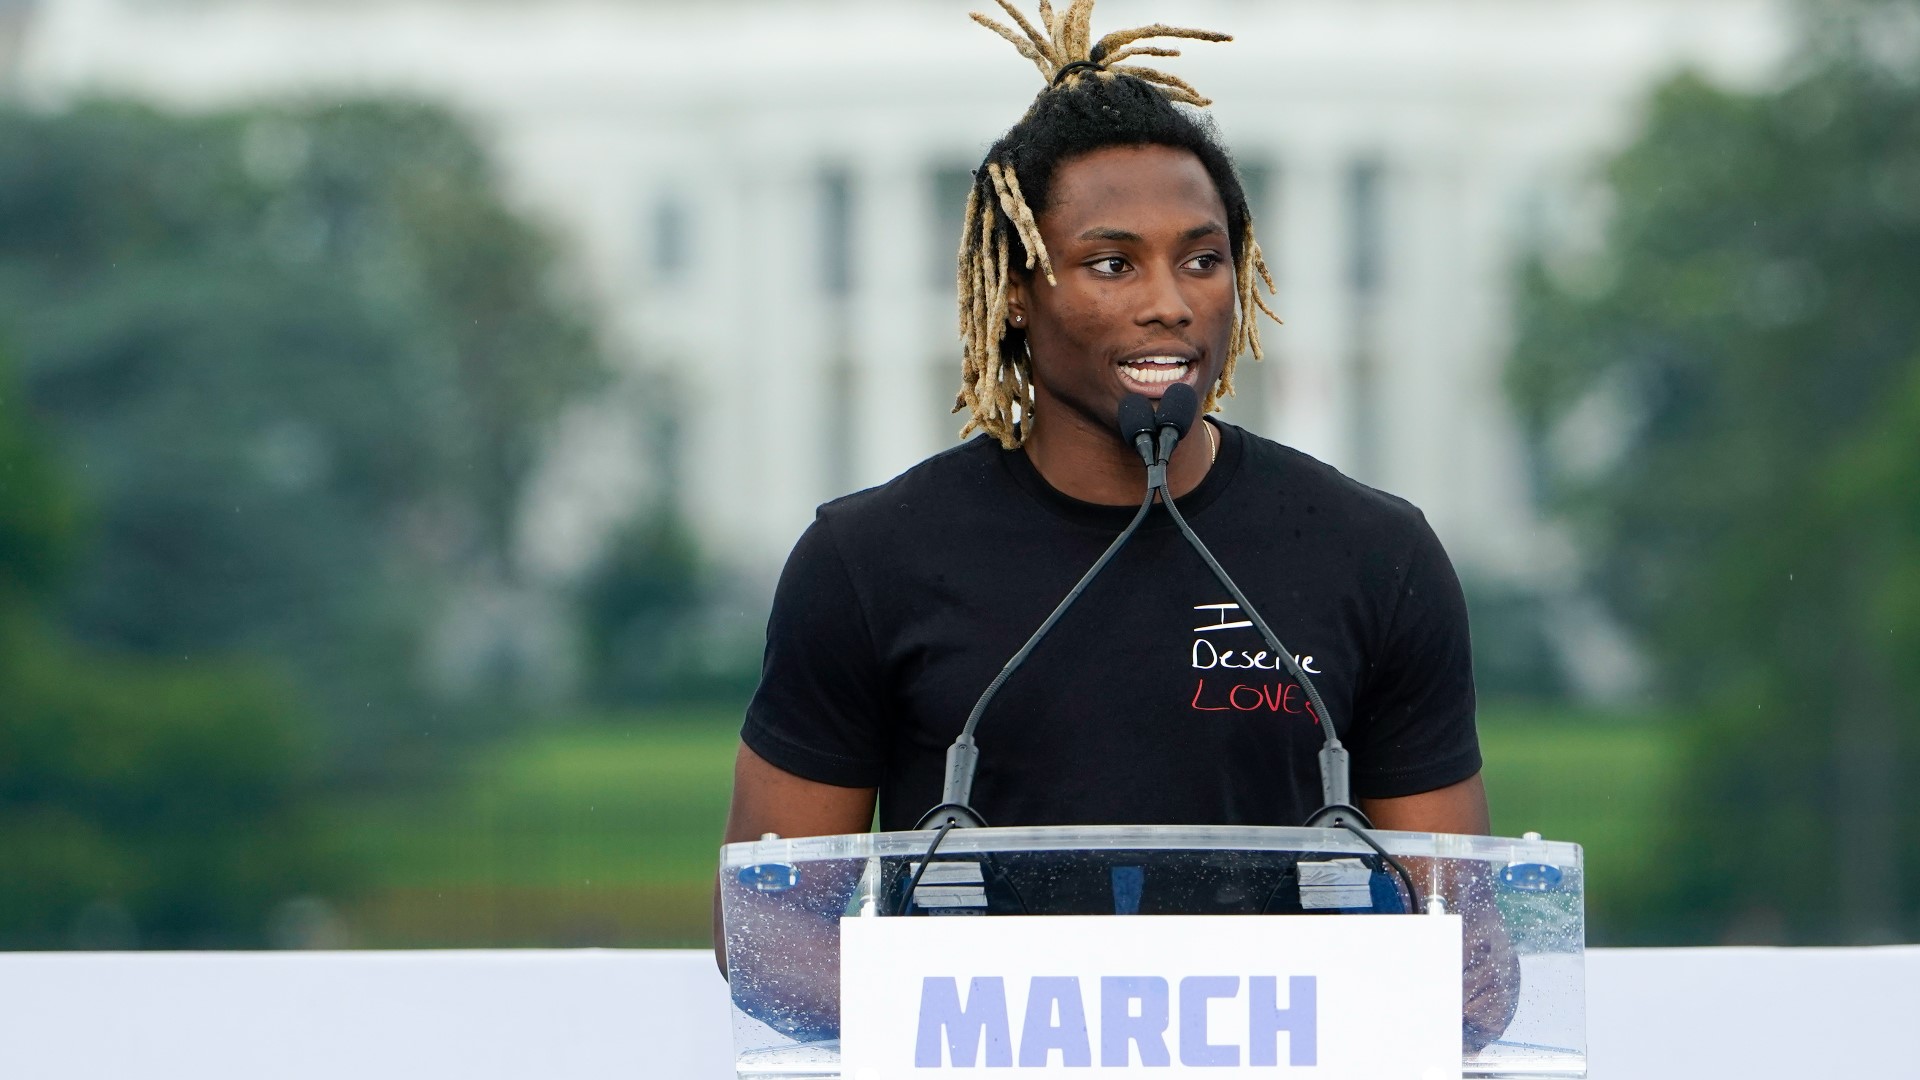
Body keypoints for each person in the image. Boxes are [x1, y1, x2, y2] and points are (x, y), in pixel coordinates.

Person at [718, 0, 1490, 951]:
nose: (1169, 303)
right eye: (1113, 263)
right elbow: (766, 934)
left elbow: (1472, 961)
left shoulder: (1377, 555)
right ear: (1013, 290)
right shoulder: (866, 561)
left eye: (1203, 260)